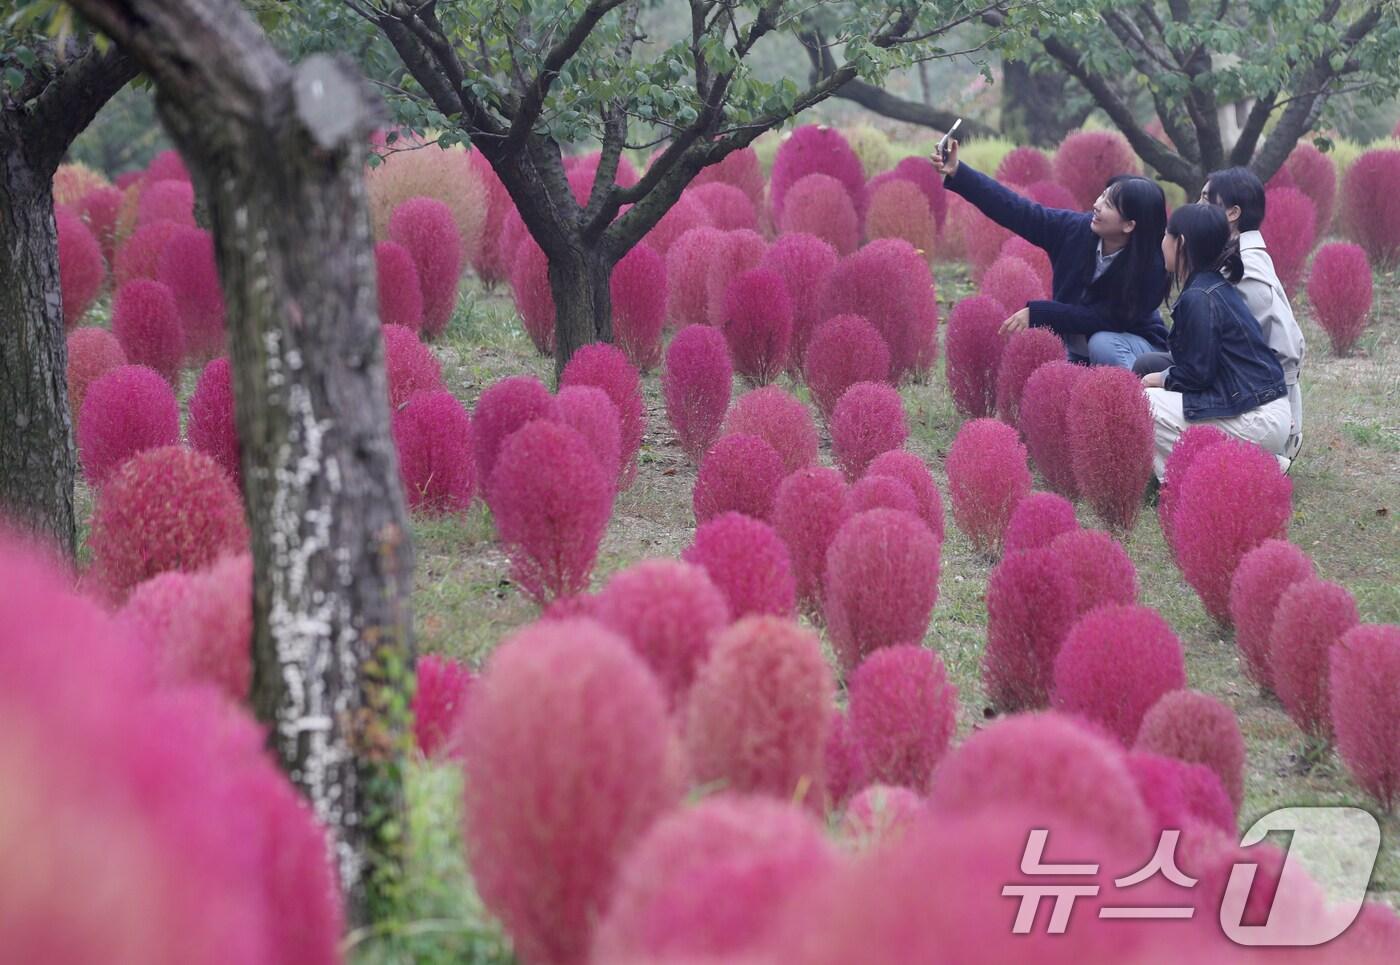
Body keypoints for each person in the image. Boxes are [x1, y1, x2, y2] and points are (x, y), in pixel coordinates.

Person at [933, 138, 1169, 368]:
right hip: (1079, 351)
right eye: (1102, 196)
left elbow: (1104, 318)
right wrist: (959, 173)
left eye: (1108, 205)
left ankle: (1141, 400)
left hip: (1137, 350)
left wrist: (1039, 313)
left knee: (1102, 343)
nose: (1097, 205)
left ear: (1129, 225)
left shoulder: (1152, 266)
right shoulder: (1075, 231)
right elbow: (1018, 211)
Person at [1135, 167, 1306, 461]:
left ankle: (1243, 464)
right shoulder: (1221, 266)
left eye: (1206, 199)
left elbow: (1283, 348)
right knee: (1151, 366)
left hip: (1256, 398)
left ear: (1232, 212)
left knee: (1148, 400)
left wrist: (1289, 422)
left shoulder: (1243, 268)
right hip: (1243, 384)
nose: (1199, 207)